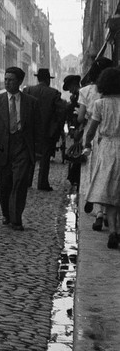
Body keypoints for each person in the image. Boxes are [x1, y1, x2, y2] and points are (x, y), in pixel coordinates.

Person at [0, 66, 39, 231]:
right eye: (6, 79)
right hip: (1, 147)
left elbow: (37, 128)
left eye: (11, 80)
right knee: (4, 184)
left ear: (20, 82)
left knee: (19, 183)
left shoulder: (31, 102)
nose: (7, 82)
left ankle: (16, 218)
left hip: (22, 147)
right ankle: (6, 212)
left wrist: (37, 149)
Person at [82, 66, 120, 249]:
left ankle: (112, 230)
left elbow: (91, 130)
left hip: (107, 148)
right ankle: (116, 230)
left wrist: (87, 144)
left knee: (109, 188)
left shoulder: (100, 104)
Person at [79, 57, 114, 231]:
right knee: (110, 175)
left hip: (93, 133)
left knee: (94, 172)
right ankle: (107, 212)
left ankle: (96, 208)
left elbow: (80, 118)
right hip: (111, 136)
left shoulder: (86, 91)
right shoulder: (113, 94)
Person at [23, 68, 67, 191]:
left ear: (38, 78)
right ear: (48, 80)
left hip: (30, 131)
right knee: (45, 158)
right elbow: (61, 112)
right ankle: (42, 183)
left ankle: (27, 181)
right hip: (47, 131)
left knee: (29, 156)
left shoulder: (28, 90)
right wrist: (57, 129)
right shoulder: (54, 93)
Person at [62, 75, 83, 189]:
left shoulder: (80, 95)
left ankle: (75, 177)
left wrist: (74, 127)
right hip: (76, 128)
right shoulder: (75, 96)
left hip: (79, 128)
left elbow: (77, 114)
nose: (69, 90)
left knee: (77, 152)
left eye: (70, 87)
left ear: (74, 84)